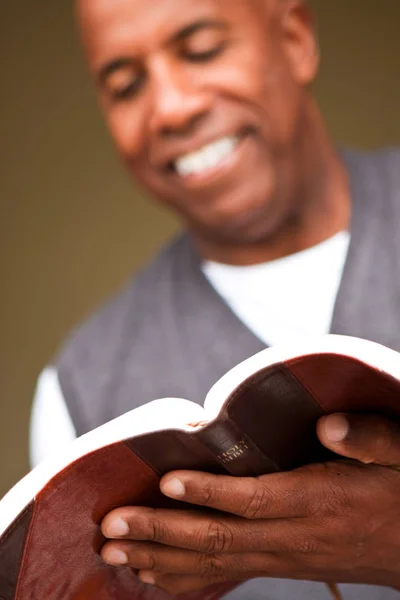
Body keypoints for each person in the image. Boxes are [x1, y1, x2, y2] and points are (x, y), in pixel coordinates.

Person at [30, 0, 400, 598]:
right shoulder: (78, 397)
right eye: (126, 87)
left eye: (202, 50)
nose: (172, 107)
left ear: (295, 38)